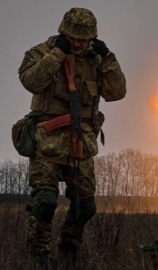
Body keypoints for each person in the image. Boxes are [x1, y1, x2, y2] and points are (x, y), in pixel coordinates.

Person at [18, 7, 126, 267]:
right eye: (74, 37)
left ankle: (68, 250)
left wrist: (109, 57)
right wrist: (57, 53)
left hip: (82, 143)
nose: (79, 43)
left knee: (86, 207)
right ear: (64, 32)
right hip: (47, 143)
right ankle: (39, 257)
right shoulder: (42, 52)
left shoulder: (98, 60)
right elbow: (31, 81)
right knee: (45, 203)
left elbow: (116, 92)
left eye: (85, 38)